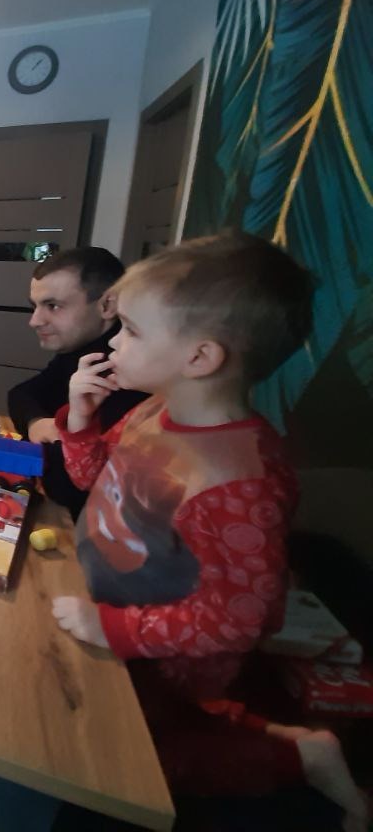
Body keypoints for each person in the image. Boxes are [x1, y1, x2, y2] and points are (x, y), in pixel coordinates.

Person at [48, 232, 365, 831]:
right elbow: (95, 479)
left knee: (142, 754)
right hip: (108, 608)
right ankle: (267, 731)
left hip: (163, 648)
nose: (113, 343)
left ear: (200, 358)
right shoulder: (153, 410)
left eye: (131, 331)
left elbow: (237, 618)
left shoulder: (239, 480)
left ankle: (300, 757)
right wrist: (81, 420)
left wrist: (112, 628)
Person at [8, 247, 148, 517]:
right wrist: (38, 422)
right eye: (34, 306)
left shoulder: (124, 374)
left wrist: (51, 443)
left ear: (107, 306)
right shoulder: (78, 352)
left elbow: (69, 486)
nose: (34, 321)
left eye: (53, 306)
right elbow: (21, 393)